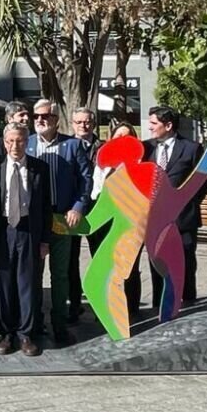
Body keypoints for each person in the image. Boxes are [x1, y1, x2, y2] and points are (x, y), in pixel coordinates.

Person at [28, 99, 94, 344]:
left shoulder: (72, 145)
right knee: (33, 274)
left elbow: (86, 180)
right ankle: (34, 324)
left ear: (56, 119)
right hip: (35, 221)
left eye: (45, 116)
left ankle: (60, 324)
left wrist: (78, 207)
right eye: (36, 116)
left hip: (62, 218)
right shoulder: (27, 144)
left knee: (60, 275)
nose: (40, 120)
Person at [0, 121, 53, 356]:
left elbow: (46, 206)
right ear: (4, 143)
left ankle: (26, 334)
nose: (15, 146)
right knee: (5, 284)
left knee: (27, 283)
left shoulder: (39, 168)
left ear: (27, 142)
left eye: (19, 141)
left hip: (29, 230)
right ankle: (7, 333)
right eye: (11, 141)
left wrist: (45, 240)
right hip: (4, 229)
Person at [144, 106, 204, 309]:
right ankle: (159, 307)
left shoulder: (191, 148)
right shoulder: (146, 149)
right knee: (157, 265)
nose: (150, 127)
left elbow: (201, 184)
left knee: (185, 265)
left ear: (168, 125)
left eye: (154, 123)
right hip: (154, 221)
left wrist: (184, 205)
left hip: (183, 221)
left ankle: (187, 305)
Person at [92, 120, 142, 315]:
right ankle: (108, 308)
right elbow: (95, 191)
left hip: (130, 222)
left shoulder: (139, 162)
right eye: (118, 135)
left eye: (127, 136)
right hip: (106, 221)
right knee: (107, 267)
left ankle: (131, 310)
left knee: (129, 267)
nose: (122, 139)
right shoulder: (102, 162)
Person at [68, 107, 101, 321]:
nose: (83, 126)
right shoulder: (66, 146)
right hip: (72, 210)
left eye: (87, 122)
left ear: (94, 124)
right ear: (73, 124)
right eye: (79, 122)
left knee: (99, 259)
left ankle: (100, 305)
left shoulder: (103, 147)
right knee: (70, 261)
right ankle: (74, 305)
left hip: (98, 210)